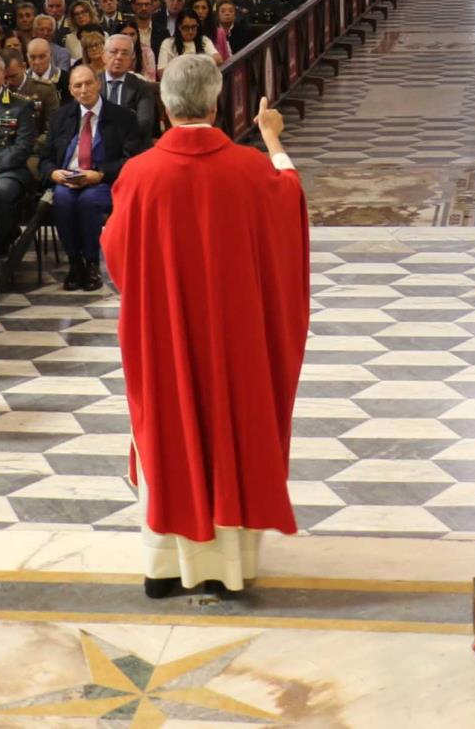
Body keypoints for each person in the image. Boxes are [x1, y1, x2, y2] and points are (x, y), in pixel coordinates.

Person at [102, 56, 309, 599]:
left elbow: (115, 255)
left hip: (163, 339)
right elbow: (289, 206)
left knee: (168, 433)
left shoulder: (139, 174)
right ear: (217, 104)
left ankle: (164, 567)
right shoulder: (249, 169)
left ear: (166, 108)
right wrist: (272, 140)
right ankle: (228, 569)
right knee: (230, 429)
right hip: (235, 342)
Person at [43, 65, 142, 292]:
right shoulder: (60, 117)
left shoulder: (123, 117)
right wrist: (53, 173)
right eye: (78, 85)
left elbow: (132, 159)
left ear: (98, 83)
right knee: (63, 200)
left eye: (88, 83)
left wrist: (101, 174)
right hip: (67, 179)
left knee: (88, 202)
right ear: (70, 89)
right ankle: (74, 263)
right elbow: (45, 157)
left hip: (102, 180)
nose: (84, 89)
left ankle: (91, 263)